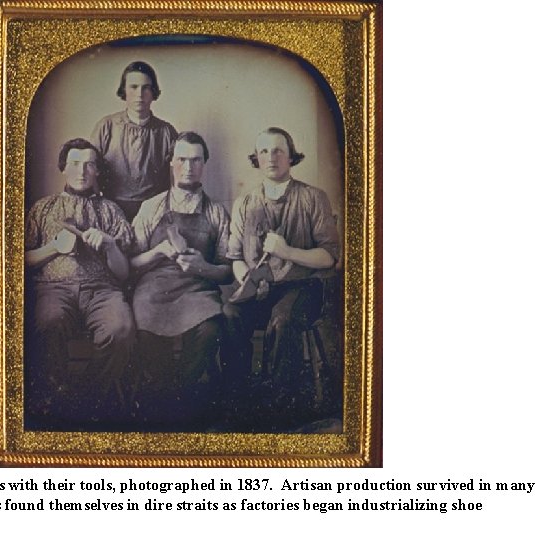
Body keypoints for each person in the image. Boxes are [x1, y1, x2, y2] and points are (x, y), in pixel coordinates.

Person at [223, 127, 340, 429]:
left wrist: (288, 252)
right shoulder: (245, 204)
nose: (271, 157)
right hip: (260, 289)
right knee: (231, 312)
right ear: (256, 158)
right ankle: (239, 402)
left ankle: (280, 411)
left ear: (291, 156)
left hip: (304, 288)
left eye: (278, 150)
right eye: (264, 151)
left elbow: (329, 256)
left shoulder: (313, 198)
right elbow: (235, 257)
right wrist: (249, 279)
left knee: (283, 318)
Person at [24, 138, 135, 429]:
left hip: (103, 291)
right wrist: (54, 248)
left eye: (89, 164)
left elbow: (124, 274)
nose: (81, 170)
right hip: (53, 288)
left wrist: (110, 246)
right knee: (47, 322)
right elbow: (17, 259)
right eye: (74, 163)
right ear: (63, 168)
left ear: (97, 170)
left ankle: (87, 399)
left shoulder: (111, 211)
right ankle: (55, 399)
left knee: (120, 329)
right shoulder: (43, 208)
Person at [130, 131, 231, 428]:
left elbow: (226, 271)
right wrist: (159, 252)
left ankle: (182, 400)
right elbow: (131, 264)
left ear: (204, 164)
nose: (189, 167)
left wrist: (202, 267)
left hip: (198, 289)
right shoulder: (151, 207)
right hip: (153, 288)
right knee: (146, 335)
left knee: (210, 330)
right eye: (182, 159)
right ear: (171, 163)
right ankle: (166, 402)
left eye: (196, 160)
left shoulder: (216, 212)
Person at [90, 61, 178, 222]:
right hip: (111, 210)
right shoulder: (106, 126)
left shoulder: (167, 132)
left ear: (153, 92)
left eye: (146, 87)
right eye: (134, 87)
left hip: (154, 213)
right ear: (124, 90)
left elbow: (176, 179)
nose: (140, 94)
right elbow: (90, 171)